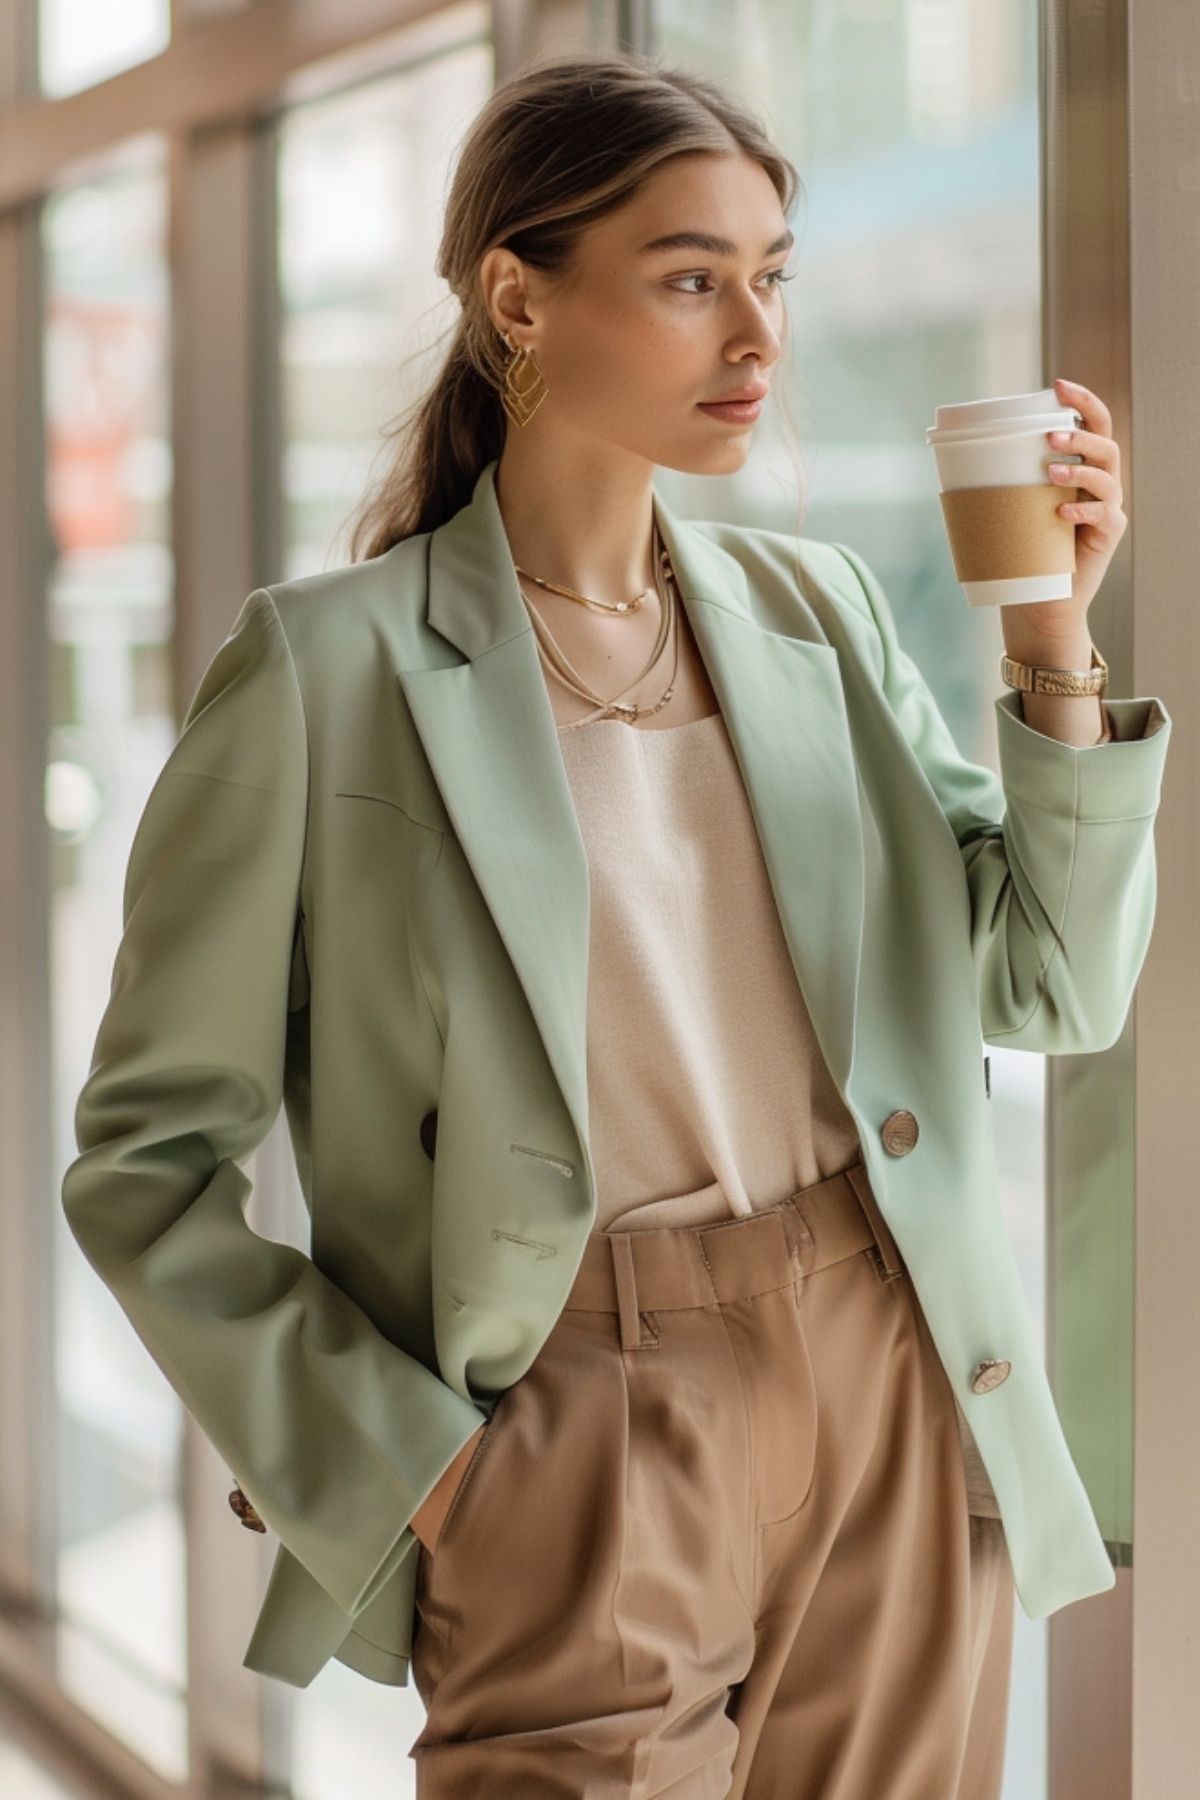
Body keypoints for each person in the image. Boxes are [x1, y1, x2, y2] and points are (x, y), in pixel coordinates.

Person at [62, 50, 1172, 1800]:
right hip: (569, 1419)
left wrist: (1054, 640)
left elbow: (1052, 979)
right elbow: (142, 1158)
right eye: (690, 276)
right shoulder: (321, 669)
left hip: (887, 1362)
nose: (758, 335)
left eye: (773, 277)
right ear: (518, 295)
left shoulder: (820, 611)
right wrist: (417, 1463)